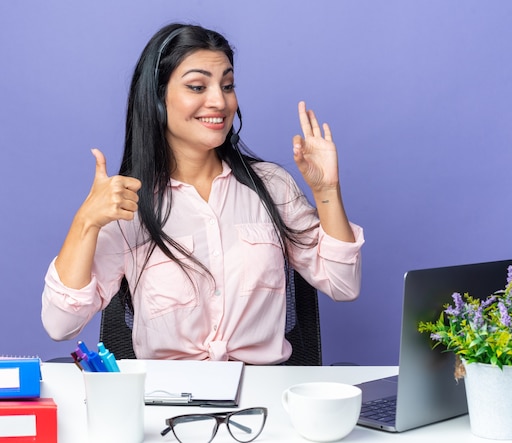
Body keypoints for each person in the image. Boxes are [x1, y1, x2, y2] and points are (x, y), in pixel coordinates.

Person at [41, 23, 364, 364]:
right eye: (197, 86)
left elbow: (344, 285)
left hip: (262, 401)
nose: (219, 101)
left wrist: (328, 191)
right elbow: (60, 324)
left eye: (227, 85)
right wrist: (86, 222)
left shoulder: (271, 186)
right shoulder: (129, 203)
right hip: (169, 406)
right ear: (157, 98)